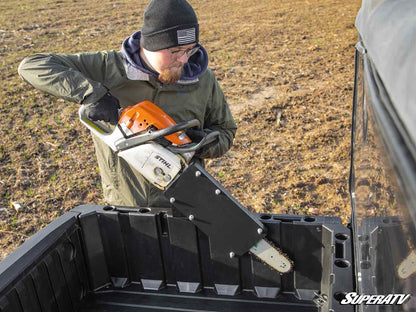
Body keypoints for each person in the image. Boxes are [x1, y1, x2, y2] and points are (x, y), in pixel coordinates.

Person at [18, 0, 237, 208]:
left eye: (190, 49)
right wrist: (91, 94)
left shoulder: (203, 80)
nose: (184, 59)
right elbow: (32, 65)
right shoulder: (109, 68)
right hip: (124, 205)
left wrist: (206, 143)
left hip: (185, 204)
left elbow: (225, 130)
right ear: (150, 44)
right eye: (175, 51)